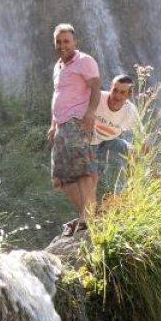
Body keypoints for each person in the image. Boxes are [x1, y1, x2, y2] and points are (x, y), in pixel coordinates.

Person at [47, 23, 102, 236]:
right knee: (60, 178)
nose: (63, 45)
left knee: (82, 170)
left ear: (74, 42)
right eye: (59, 42)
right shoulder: (58, 67)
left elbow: (96, 88)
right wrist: (53, 124)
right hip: (61, 126)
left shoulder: (85, 61)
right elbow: (57, 96)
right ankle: (87, 215)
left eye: (66, 41)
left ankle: (87, 217)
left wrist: (90, 113)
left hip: (77, 122)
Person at [87, 75, 138, 202]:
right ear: (110, 88)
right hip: (88, 141)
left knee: (131, 151)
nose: (117, 96)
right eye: (115, 90)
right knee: (91, 176)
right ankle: (88, 208)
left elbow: (141, 135)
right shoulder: (97, 98)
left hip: (110, 142)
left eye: (122, 92)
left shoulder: (130, 111)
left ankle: (122, 196)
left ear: (128, 95)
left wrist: (146, 143)